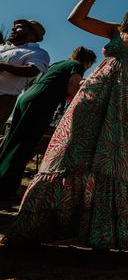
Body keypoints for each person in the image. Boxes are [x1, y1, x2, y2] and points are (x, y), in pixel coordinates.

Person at [2, 0, 128, 249]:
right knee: (70, 148)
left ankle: (99, 233)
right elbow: (76, 18)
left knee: (111, 159)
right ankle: (41, 224)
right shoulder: (117, 31)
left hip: (126, 105)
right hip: (94, 95)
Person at [0, 46, 97, 201]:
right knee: (25, 145)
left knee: (12, 141)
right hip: (42, 101)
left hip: (27, 98)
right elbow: (72, 89)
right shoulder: (77, 66)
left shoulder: (58, 64)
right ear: (89, 62)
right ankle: (6, 189)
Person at [0, 19, 50, 132]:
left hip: (3, 99)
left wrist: (3, 67)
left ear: (33, 34)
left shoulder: (37, 53)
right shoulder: (3, 47)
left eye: (19, 27)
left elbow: (32, 70)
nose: (13, 29)